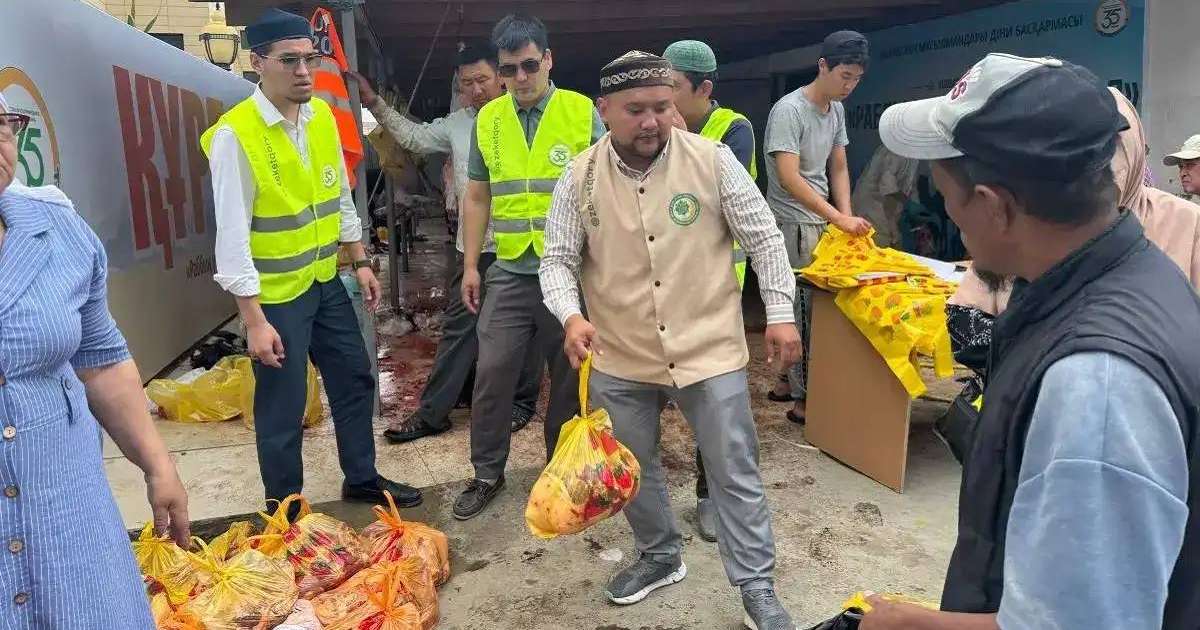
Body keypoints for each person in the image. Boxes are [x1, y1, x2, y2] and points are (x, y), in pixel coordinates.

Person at [864, 53, 1200, 630]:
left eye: (945, 193)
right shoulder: (1131, 272)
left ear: (994, 207)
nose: (948, 211)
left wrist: (905, 624)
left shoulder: (1096, 386)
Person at [541, 50, 803, 630]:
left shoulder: (713, 162)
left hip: (709, 348)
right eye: (635, 109)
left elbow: (764, 238)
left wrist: (781, 312)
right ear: (604, 110)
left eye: (662, 106)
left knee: (734, 468)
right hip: (622, 353)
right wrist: (569, 315)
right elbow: (556, 260)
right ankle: (660, 556)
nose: (651, 121)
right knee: (635, 466)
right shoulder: (579, 176)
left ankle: (756, 585)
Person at [201, 9, 420, 510]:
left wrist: (360, 260)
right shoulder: (237, 136)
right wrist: (252, 320)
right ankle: (285, 508)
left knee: (354, 377)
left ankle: (362, 478)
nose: (304, 71)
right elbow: (231, 239)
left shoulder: (320, 116)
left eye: (310, 58)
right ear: (258, 62)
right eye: (289, 61)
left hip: (324, 282)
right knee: (283, 405)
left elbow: (338, 196)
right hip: (275, 297)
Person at [0, 94, 190, 626]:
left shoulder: (57, 229)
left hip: (66, 510)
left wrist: (158, 465)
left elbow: (100, 361)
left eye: (1, 124)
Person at [347, 43, 543, 445]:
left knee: (530, 329)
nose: (476, 90)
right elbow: (415, 139)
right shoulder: (458, 124)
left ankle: (522, 403)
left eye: (483, 80)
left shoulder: (530, 121)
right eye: (467, 83)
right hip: (473, 248)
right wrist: (375, 104)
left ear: (502, 78)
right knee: (460, 327)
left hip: (526, 244)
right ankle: (435, 411)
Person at [453, 13, 607, 520]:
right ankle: (486, 473)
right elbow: (477, 196)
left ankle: (558, 473)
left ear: (547, 60)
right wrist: (471, 264)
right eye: (508, 69)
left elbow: (608, 190)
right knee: (493, 370)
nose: (519, 78)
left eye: (528, 66)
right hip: (512, 270)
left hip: (569, 271)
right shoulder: (488, 120)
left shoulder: (581, 113)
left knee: (567, 376)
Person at [662, 38, 758, 545]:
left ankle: (708, 496)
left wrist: (682, 143)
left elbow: (721, 198)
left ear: (703, 89)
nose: (664, 99)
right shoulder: (652, 131)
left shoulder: (733, 130)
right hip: (662, 288)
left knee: (713, 404)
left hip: (715, 291)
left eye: (673, 88)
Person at [763, 30, 870, 424]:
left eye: (856, 78)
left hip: (823, 220)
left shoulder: (836, 111)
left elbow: (838, 165)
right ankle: (804, 399)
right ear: (822, 66)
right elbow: (790, 177)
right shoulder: (789, 111)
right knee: (802, 315)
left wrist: (846, 217)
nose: (849, 85)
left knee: (811, 311)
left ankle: (784, 384)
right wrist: (837, 217)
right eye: (844, 75)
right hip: (792, 222)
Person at [851, 144, 919, 248]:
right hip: (873, 212)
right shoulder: (897, 149)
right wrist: (893, 229)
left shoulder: (913, 153)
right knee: (878, 250)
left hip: (884, 213)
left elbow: (908, 185)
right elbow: (888, 190)